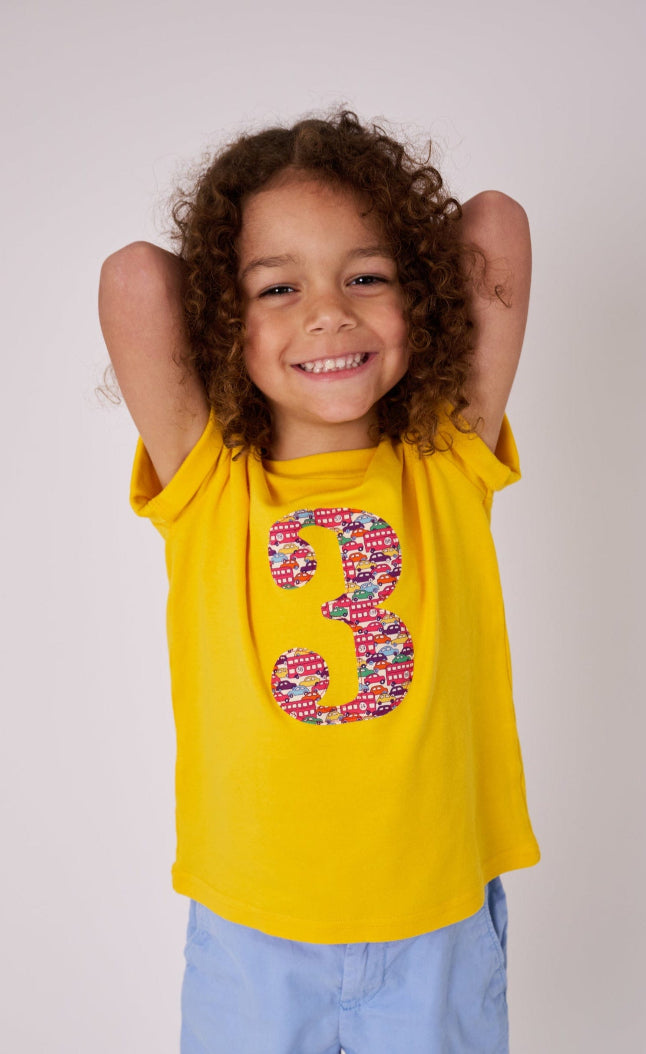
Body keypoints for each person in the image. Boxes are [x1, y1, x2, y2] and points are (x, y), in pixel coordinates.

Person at [98, 108, 540, 1054]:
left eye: (368, 276)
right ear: (220, 319)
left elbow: (494, 223)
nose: (328, 312)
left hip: (435, 932)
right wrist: (237, 290)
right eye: (276, 289)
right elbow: (137, 276)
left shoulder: (446, 458)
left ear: (422, 294)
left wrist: (348, 277)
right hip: (254, 938)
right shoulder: (208, 481)